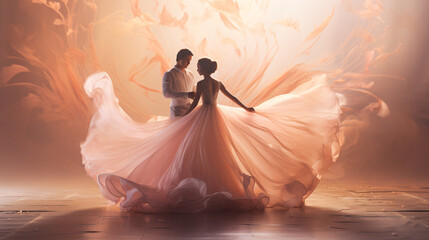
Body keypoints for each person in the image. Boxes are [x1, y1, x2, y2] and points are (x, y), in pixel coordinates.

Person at [81, 57, 340, 213]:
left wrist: (185, 117)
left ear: (204, 70)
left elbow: (196, 104)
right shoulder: (216, 82)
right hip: (217, 115)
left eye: (200, 65)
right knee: (217, 152)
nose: (198, 67)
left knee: (201, 151)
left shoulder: (203, 83)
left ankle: (208, 186)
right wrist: (246, 108)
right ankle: (219, 185)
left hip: (205, 115)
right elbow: (232, 98)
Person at [162, 49, 196, 118]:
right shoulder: (169, 74)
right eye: (187, 60)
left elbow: (194, 90)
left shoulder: (191, 74)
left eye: (190, 60)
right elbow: (166, 93)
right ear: (179, 58)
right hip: (177, 110)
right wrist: (186, 94)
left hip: (190, 110)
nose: (189, 62)